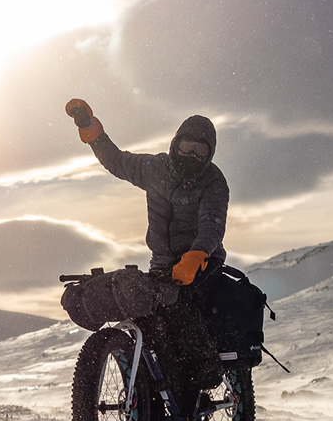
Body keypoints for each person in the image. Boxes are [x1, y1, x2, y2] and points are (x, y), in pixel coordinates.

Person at [64, 98, 227, 402]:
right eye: (186, 147)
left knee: (181, 312)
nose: (190, 155)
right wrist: (91, 130)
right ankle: (152, 392)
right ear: (175, 144)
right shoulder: (156, 168)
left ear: (209, 154)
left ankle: (202, 376)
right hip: (163, 264)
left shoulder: (213, 181)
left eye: (199, 151)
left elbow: (212, 224)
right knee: (149, 318)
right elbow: (117, 161)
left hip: (203, 264)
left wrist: (197, 253)